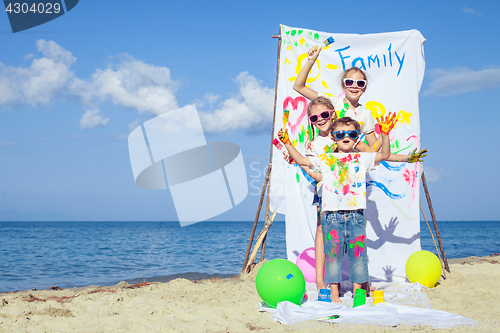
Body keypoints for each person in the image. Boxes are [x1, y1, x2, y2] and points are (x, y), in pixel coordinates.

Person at [287, 114, 396, 302]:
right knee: (333, 258)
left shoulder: (362, 158)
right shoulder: (326, 158)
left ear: (358, 137)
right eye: (340, 134)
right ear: (333, 137)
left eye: (352, 134)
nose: (346, 137)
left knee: (359, 258)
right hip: (332, 217)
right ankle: (335, 295)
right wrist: (288, 143)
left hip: (356, 217)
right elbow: (304, 161)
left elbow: (385, 155)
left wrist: (385, 134)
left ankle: (358, 295)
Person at [292, 45, 427, 161]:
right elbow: (299, 86)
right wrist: (311, 61)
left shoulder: (365, 114)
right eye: (349, 82)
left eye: (360, 83)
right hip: (324, 158)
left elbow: (373, 152)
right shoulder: (332, 102)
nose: (354, 86)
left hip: (350, 170)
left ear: (364, 88)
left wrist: (406, 158)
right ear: (343, 85)